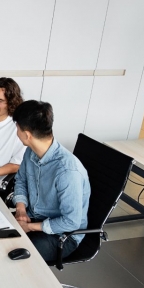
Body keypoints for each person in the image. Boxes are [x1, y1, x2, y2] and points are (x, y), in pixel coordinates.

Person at [12, 100, 90, 262]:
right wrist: (21, 208)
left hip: (63, 235)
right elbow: (21, 179)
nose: (16, 131)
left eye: (17, 127)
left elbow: (71, 221)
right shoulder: (30, 151)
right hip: (34, 218)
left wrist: (30, 227)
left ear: (27, 135)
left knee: (16, 255)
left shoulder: (67, 171)